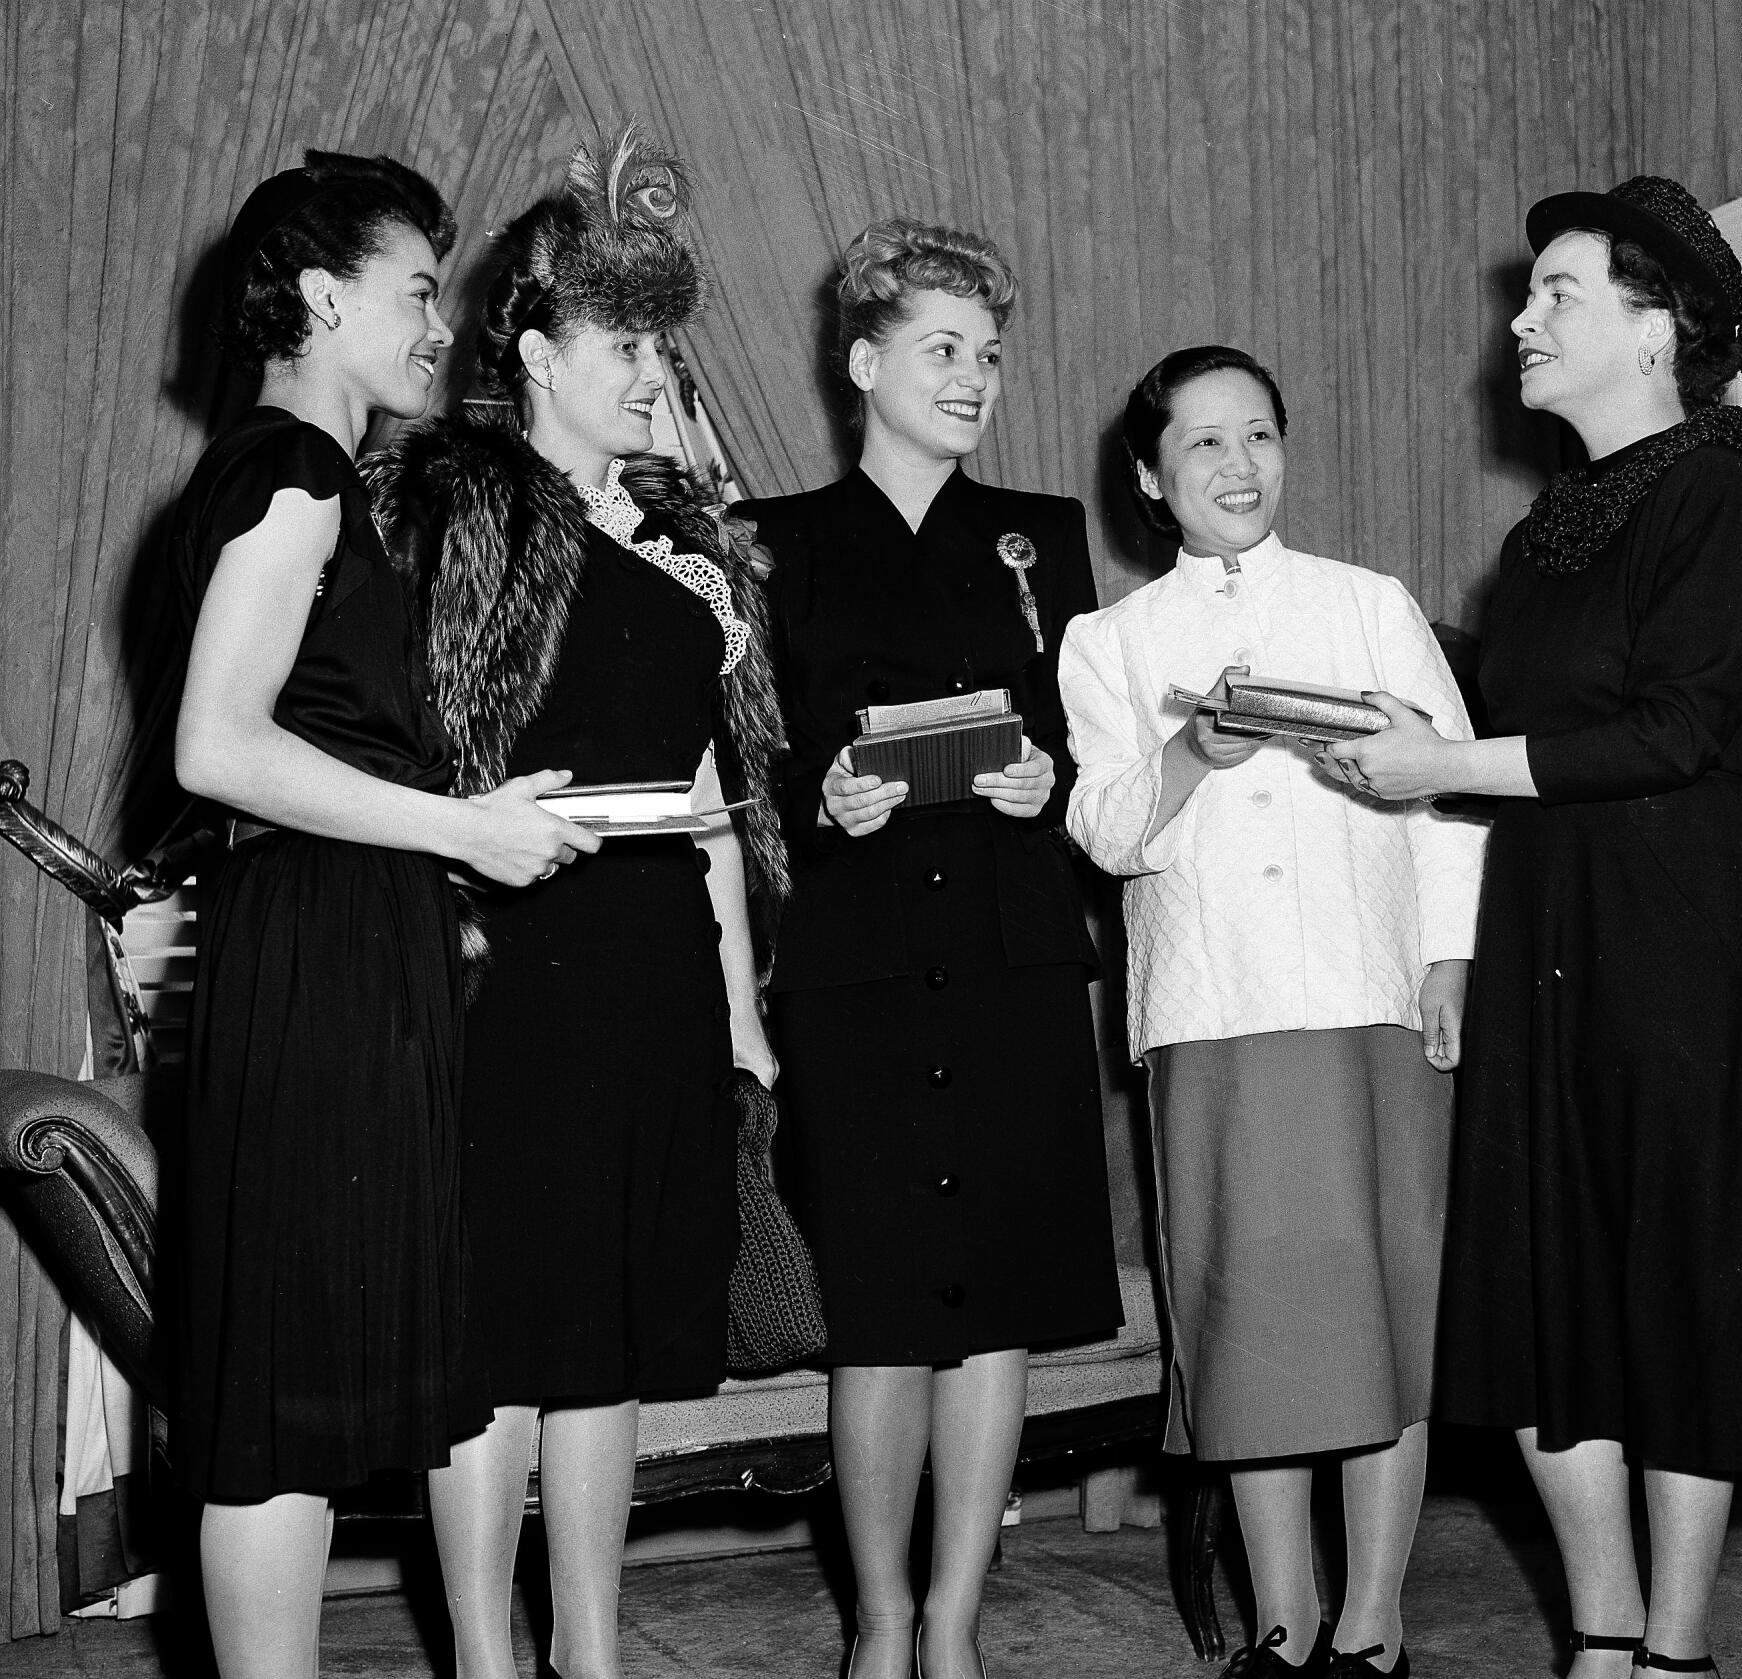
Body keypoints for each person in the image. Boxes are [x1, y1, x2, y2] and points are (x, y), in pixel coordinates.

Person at [1324, 177, 1742, 1678]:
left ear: (1658, 326)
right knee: (1555, 1292)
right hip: (1547, 928)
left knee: (1676, 1285)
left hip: (1671, 945)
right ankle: (1601, 1641)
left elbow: (1679, 732)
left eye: (1558, 293)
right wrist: (1409, 724)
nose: (1521, 320)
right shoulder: (1552, 530)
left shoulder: (1722, 503)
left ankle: (1676, 1652)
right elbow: (1519, 730)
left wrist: (1444, 762)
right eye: (1529, 292)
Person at [365, 129, 788, 1679]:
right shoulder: (461, 511)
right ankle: (487, 1653)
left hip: (651, 962)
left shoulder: (686, 551)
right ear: (536, 353)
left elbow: (710, 804)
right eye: (620, 340)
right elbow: (408, 749)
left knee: (611, 1329)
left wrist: (740, 1017)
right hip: (506, 967)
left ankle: (589, 1651)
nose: (650, 368)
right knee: (502, 1333)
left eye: (662, 343)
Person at [170, 154, 594, 1679]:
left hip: (352, 950)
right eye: (420, 290)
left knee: (295, 1391)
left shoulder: (304, 476)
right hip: (318, 961)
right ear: (324, 296)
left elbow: (316, 736)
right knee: (275, 1404)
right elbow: (217, 746)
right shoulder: (291, 471)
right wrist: (461, 826)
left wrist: (467, 822)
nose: (439, 323)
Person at [1061, 346, 1487, 1678]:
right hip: (1214, 1010)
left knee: (1382, 1306)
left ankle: (1374, 1620)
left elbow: (1450, 789)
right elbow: (1104, 828)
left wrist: (1449, 956)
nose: (1237, 467)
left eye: (1258, 436)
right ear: (1151, 478)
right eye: (1202, 445)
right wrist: (1193, 752)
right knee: (1252, 1321)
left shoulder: (1368, 604)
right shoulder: (1110, 643)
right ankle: (1284, 1625)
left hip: (1370, 998)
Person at [738, 217, 1122, 1679]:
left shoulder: (1040, 541)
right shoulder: (771, 544)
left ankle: (956, 1626)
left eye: (991, 356)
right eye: (944, 350)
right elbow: (749, 764)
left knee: (999, 1305)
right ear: (864, 362)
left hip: (1015, 957)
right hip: (863, 974)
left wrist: (1053, 789)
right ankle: (880, 1625)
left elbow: (1092, 750)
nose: (975, 379)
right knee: (882, 1310)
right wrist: (817, 797)